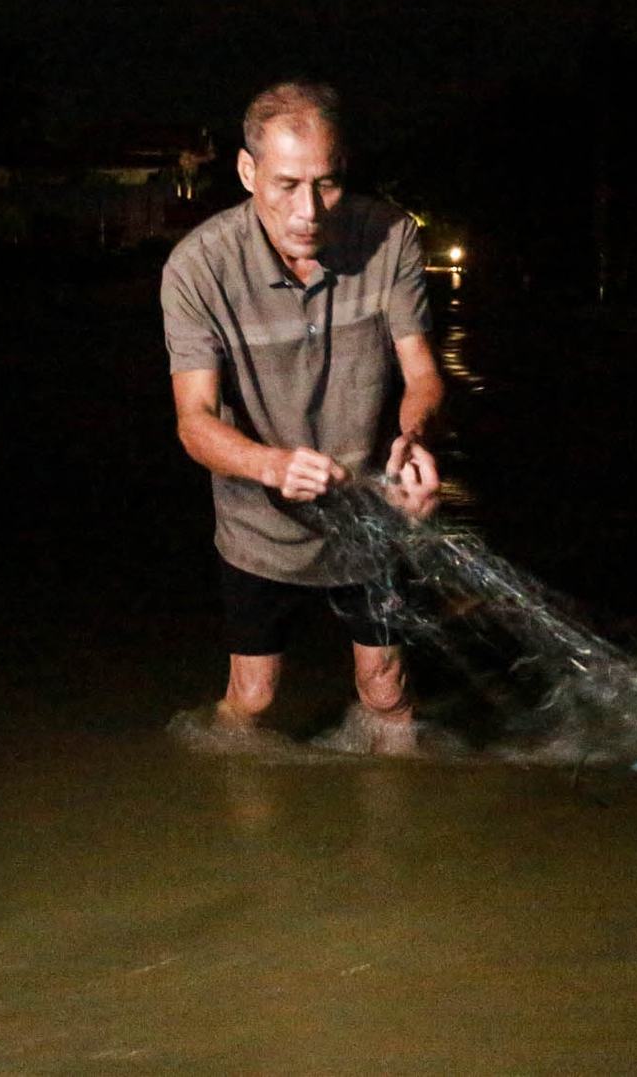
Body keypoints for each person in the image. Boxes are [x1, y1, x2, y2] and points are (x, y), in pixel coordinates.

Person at [161, 81, 443, 752]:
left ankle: (407, 838)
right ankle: (217, 818)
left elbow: (424, 373)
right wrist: (272, 465)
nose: (309, 210)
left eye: (328, 182)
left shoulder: (391, 235)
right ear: (246, 171)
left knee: (387, 692)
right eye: (286, 184)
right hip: (260, 520)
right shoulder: (196, 268)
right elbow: (194, 419)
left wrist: (413, 441)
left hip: (371, 507)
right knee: (253, 696)